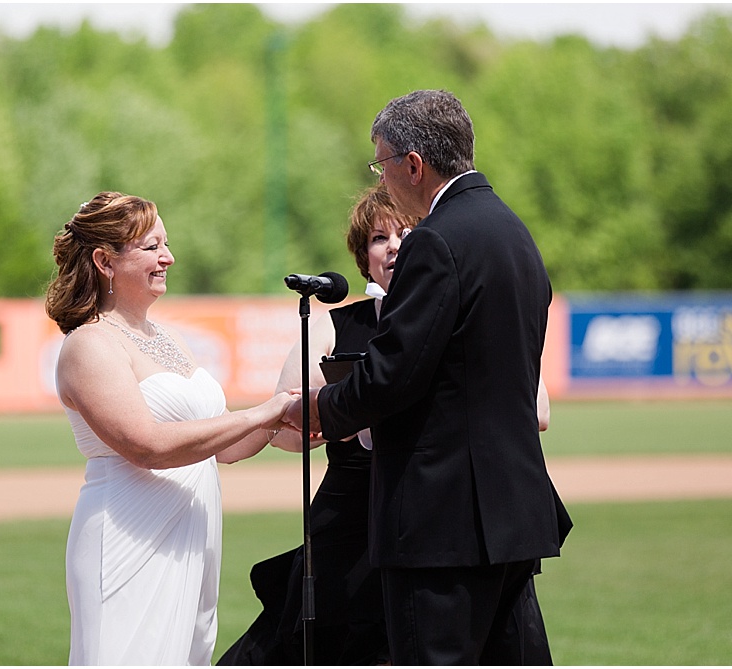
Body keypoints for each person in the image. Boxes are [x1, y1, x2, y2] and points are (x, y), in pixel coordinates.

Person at [284, 90, 572, 665]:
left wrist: (320, 407)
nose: (382, 179)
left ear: (413, 164)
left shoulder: (436, 241)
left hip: (441, 524)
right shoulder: (513, 232)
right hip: (512, 516)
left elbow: (393, 375)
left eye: (382, 164)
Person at [45, 191, 297, 666]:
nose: (169, 257)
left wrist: (289, 414)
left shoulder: (170, 338)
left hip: (191, 540)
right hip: (127, 535)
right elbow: (148, 447)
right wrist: (262, 412)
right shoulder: (88, 346)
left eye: (166, 243)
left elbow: (222, 447)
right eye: (151, 247)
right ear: (105, 260)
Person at [218, 184, 419, 665]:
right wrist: (333, 423)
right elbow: (285, 431)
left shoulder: (455, 316)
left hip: (422, 510)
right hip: (347, 518)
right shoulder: (329, 326)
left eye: (405, 232)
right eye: (377, 237)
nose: (392, 245)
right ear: (363, 258)